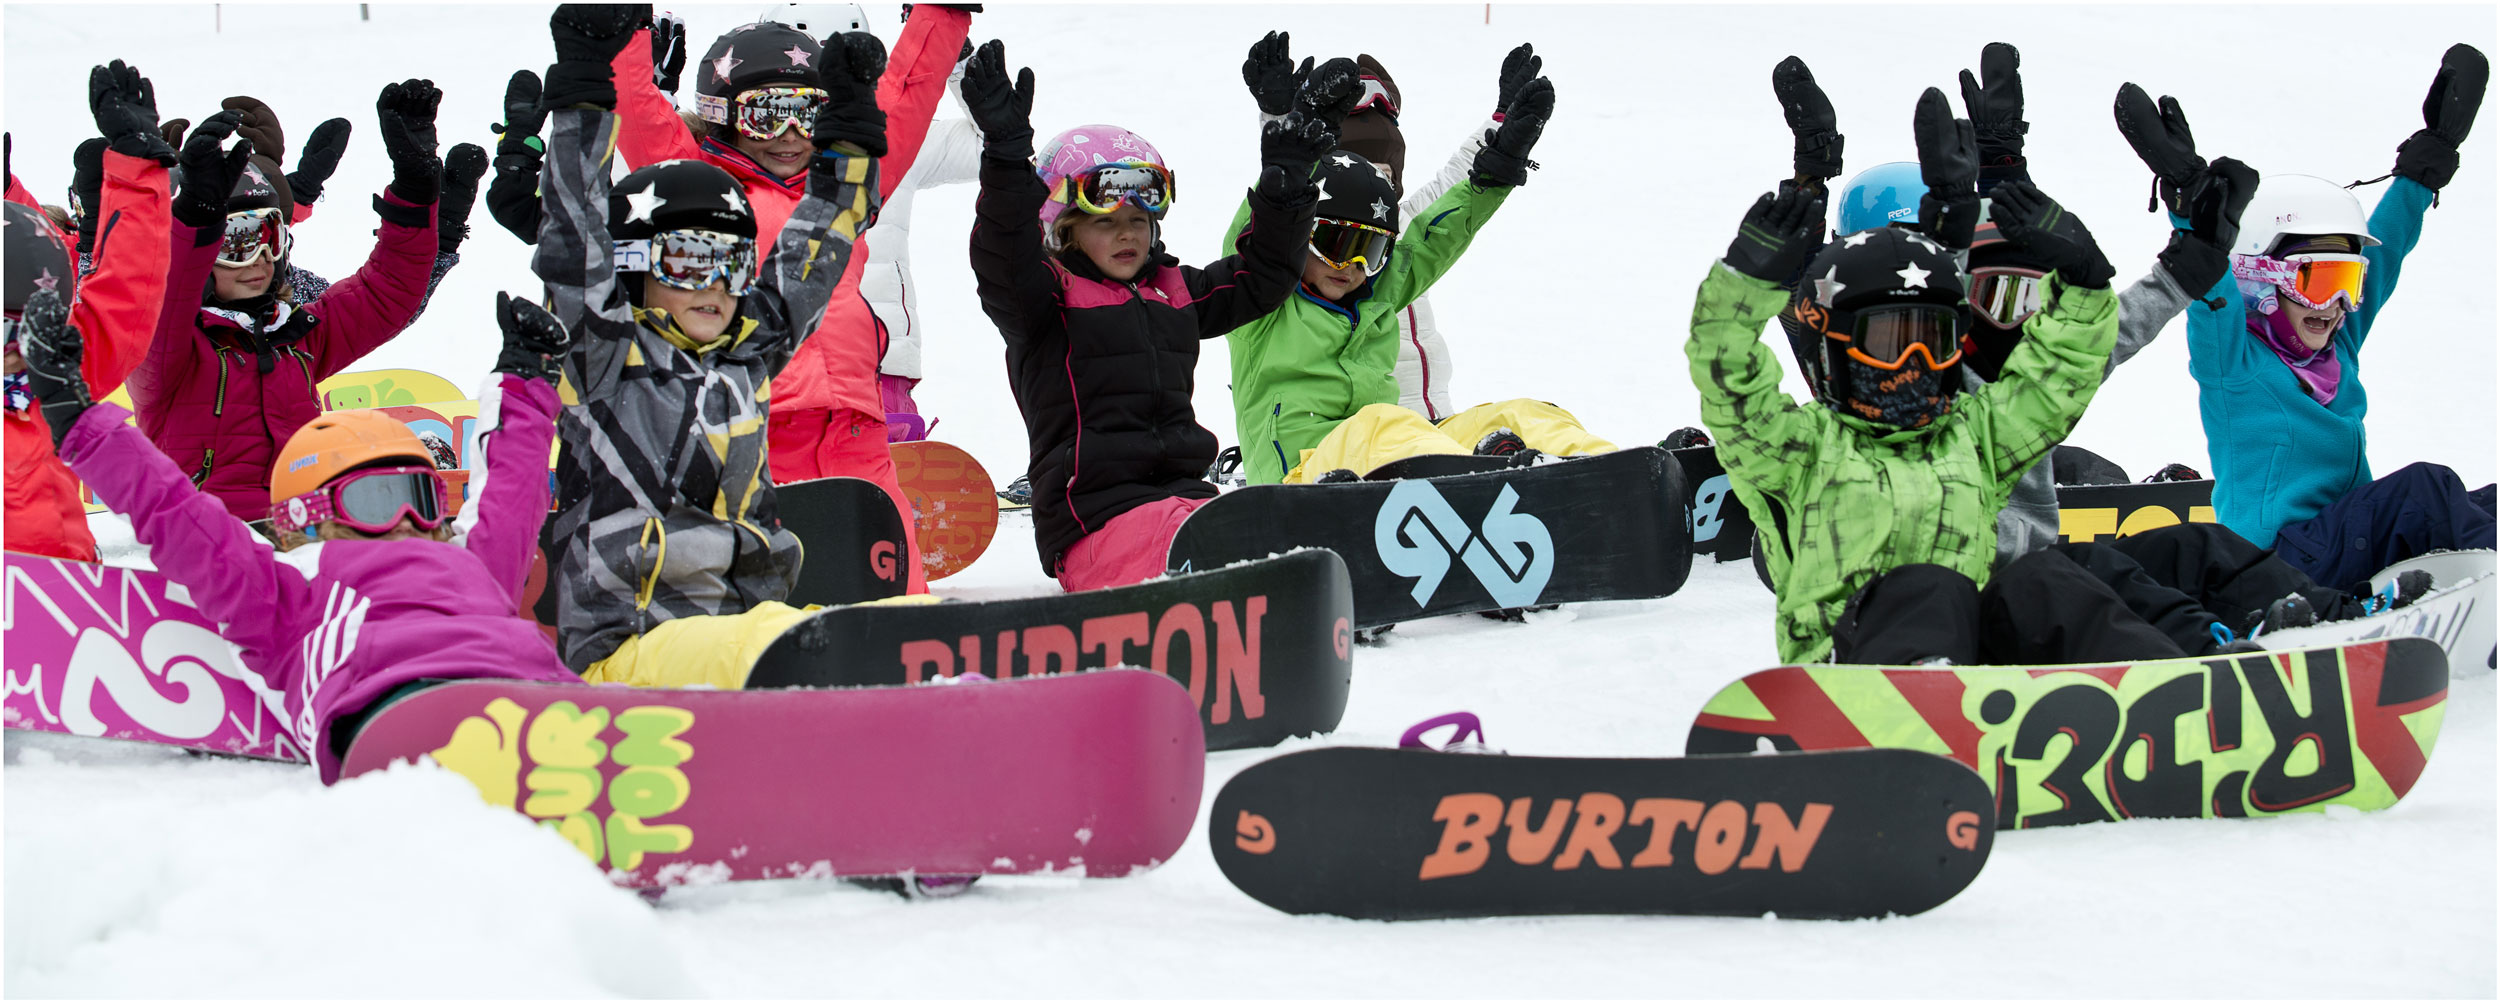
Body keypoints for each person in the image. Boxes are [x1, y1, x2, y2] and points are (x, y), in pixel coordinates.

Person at [21, 279, 582, 784]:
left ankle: (604, 756)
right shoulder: (287, 590)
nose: (408, 519)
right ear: (301, 523)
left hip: (532, 693)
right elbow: (177, 516)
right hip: (391, 703)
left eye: (423, 497)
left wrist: (526, 377)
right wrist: (78, 418)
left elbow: (510, 496)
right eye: (376, 500)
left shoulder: (476, 568)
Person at [1690, 88, 2130, 664]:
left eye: (1935, 343)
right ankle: (1916, 676)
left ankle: (2195, 677)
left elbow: (2056, 374)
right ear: (1840, 349)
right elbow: (1728, 377)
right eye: (1889, 344)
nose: (1914, 364)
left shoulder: (1976, 437)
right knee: (1930, 587)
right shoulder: (1797, 450)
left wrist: (2085, 282)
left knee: (2058, 580)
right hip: (1852, 674)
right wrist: (1743, 287)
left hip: (1973, 676)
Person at [1774, 46, 2257, 565]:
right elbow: (1794, 296)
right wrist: (1810, 175)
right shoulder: (1842, 346)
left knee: (2134, 509)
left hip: (2026, 524)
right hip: (1929, 552)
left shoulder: (1996, 331)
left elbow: (2056, 300)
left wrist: (2005, 171)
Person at [532, 3, 882, 684]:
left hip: (746, 634)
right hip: (627, 645)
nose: (714, 284)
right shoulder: (604, 355)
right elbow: (573, 236)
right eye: (688, 260)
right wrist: (582, 92)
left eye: (730, 263)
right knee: (796, 641)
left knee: (820, 632)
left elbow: (817, 245)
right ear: (633, 267)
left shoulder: (746, 349)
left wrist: (852, 148)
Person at [603, 5, 976, 593]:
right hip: (749, 439)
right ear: (723, 117)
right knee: (771, 610)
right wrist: (623, 29)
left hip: (858, 437)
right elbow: (636, 108)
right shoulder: (697, 185)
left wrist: (942, 13)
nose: (790, 135)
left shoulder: (848, 183)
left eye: (806, 113)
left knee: (896, 603)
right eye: (766, 115)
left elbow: (906, 93)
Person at [960, 39, 1328, 591]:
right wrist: (1007, 156)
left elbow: (1265, 276)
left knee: (1238, 522)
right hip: (1093, 524)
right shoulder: (1044, 302)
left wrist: (1287, 184)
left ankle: (1307, 573)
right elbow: (1003, 256)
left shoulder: (1174, 292)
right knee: (1199, 535)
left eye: (1139, 219)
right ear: (1064, 228)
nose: (1127, 233)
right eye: (1106, 222)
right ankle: (1256, 575)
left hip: (1187, 503)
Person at [2144, 44, 2495, 592]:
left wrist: (2427, 163)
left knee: (2484, 503)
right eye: (2318, 281)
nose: (2335, 307)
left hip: (2338, 542)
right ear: (2263, 280)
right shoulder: (2235, 364)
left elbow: (2389, 252)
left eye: (2345, 284)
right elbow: (2208, 283)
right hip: (2271, 564)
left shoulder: (2336, 342)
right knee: (2425, 495)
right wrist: (2191, 212)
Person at [1222, 39, 1603, 485]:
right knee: (1386, 423)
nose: (1353, 265)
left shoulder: (1375, 287)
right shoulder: (1259, 298)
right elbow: (1263, 218)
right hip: (1300, 475)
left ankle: (1615, 480)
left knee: (1521, 415)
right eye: (1337, 244)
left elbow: (1435, 233)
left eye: (1372, 251)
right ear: (1299, 236)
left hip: (1393, 456)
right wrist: (1293, 130)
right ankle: (1470, 488)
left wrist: (1496, 172)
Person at [122, 81, 443, 524]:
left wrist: (415, 185)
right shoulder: (168, 355)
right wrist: (194, 216)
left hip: (304, 535)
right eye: (234, 243)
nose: (256, 261)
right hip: (207, 542)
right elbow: (161, 304)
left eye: (268, 236)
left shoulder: (296, 337)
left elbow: (386, 289)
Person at [1239, 37, 1543, 422]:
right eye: (1362, 169)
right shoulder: (1308, 240)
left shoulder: (1404, 224)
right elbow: (1274, 208)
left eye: (1385, 175)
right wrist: (1281, 119)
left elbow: (1460, 185)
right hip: (1365, 426)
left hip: (1434, 416)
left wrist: (1500, 129)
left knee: (1522, 418)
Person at [3, 61, 175, 562]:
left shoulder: (51, 382)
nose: (15, 351)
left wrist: (138, 170)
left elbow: (125, 292)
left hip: (63, 611)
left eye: (29, 332)